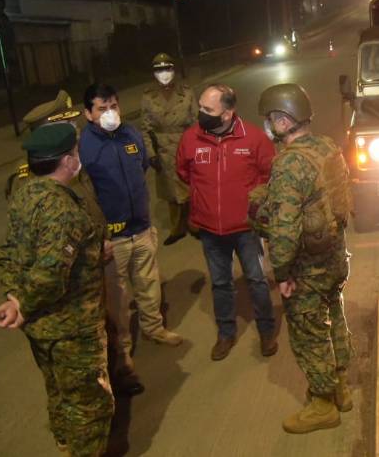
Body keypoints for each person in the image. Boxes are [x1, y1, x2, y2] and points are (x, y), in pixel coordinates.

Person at [5, 91, 144, 396]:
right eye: (69, 124)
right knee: (87, 343)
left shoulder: (70, 157)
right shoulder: (34, 176)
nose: (77, 128)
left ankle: (121, 368)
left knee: (114, 314)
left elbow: (90, 201)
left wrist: (103, 236)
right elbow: (43, 244)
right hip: (71, 278)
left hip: (96, 257)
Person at [0, 123, 114, 456]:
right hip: (72, 329)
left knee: (59, 392)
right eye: (75, 152)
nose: (78, 157)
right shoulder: (61, 209)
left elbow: (9, 254)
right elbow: (49, 275)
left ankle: (64, 444)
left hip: (41, 329)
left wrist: (15, 298)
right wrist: (22, 302)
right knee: (89, 407)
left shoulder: (25, 194)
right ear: (66, 160)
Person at [255, 83, 354, 434]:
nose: (268, 126)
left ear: (283, 121)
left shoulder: (288, 164)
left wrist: (281, 272)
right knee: (334, 319)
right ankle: (342, 388)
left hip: (306, 269)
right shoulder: (328, 146)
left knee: (309, 334)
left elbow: (283, 228)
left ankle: (322, 404)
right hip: (334, 258)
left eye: (270, 119)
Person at [176, 84, 277, 361]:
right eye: (200, 106)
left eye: (208, 109)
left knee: (256, 279)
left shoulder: (254, 139)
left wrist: (251, 202)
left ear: (227, 113)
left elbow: (270, 174)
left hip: (246, 228)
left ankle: (267, 330)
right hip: (209, 230)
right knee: (220, 283)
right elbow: (184, 173)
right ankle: (226, 333)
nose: (201, 113)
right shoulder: (190, 139)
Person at [79, 83, 183, 348]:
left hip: (142, 226)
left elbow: (142, 167)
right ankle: (122, 347)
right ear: (88, 114)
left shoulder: (131, 134)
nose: (110, 113)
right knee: (117, 296)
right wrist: (100, 236)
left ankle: (153, 327)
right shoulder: (84, 147)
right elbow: (84, 195)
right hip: (114, 237)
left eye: (113, 106)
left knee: (149, 283)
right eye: (102, 109)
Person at [140, 52, 199, 246]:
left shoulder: (187, 92)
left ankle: (195, 224)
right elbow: (145, 129)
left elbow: (196, 122)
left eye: (167, 69)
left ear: (173, 70)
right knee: (171, 193)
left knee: (191, 188)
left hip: (185, 145)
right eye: (159, 70)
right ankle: (177, 228)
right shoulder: (148, 97)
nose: (164, 73)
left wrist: (197, 148)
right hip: (164, 150)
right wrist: (151, 154)